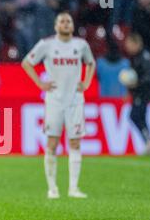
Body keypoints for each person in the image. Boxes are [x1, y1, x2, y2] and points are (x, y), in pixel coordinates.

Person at [21, 12, 96, 199]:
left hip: (75, 101)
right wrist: (40, 83)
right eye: (62, 21)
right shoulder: (46, 45)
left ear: (72, 25)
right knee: (52, 143)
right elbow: (26, 63)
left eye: (68, 21)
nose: (65, 24)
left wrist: (86, 83)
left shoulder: (81, 45)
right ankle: (52, 188)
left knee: (75, 142)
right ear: (56, 26)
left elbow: (91, 63)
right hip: (54, 100)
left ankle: (73, 188)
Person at [124, 33, 150, 155]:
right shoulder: (136, 57)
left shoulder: (144, 57)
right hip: (139, 92)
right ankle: (149, 142)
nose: (127, 47)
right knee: (139, 116)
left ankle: (149, 141)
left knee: (136, 115)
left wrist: (135, 84)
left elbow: (148, 78)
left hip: (143, 93)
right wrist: (130, 90)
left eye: (129, 44)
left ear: (136, 44)